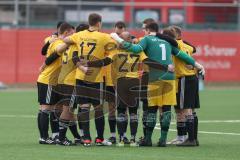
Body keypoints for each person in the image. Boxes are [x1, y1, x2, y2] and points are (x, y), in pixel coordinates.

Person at [110, 22, 205, 147]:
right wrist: (198, 65)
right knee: (166, 109)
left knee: (152, 109)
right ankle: (163, 140)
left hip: (155, 78)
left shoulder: (147, 39)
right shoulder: (167, 42)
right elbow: (182, 55)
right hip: (170, 78)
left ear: (148, 30)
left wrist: (116, 37)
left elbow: (135, 49)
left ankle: (148, 139)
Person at [58, 13, 115, 146]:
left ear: (89, 22)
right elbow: (111, 56)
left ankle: (86, 139)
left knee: (83, 107)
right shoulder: (104, 37)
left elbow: (66, 41)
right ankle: (100, 139)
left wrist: (58, 39)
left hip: (80, 77)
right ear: (99, 23)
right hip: (96, 78)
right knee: (98, 108)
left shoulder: (79, 35)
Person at [37, 22, 74, 145]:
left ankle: (54, 135)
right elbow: (55, 53)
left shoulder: (52, 39)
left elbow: (43, 51)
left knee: (52, 108)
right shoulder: (59, 43)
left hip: (53, 80)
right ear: (66, 32)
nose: (73, 36)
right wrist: (44, 64)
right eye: (72, 33)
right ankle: (43, 137)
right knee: (45, 109)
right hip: (48, 79)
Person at [165, 25, 200, 146]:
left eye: (171, 34)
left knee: (185, 109)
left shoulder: (176, 45)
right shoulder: (188, 46)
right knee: (186, 109)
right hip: (192, 77)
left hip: (184, 78)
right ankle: (191, 138)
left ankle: (190, 139)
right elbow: (193, 49)